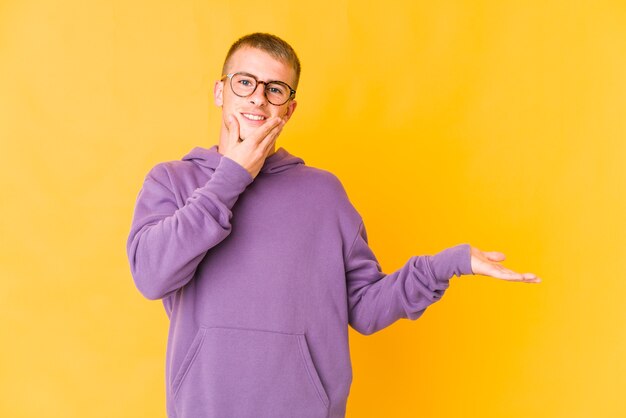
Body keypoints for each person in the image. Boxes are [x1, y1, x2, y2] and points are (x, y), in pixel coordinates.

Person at [126, 32, 540, 418]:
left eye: (274, 89)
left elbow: (365, 307)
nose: (258, 99)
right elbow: (151, 276)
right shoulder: (173, 180)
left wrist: (450, 263)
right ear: (220, 90)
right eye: (244, 82)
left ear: (289, 108)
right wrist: (231, 175)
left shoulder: (323, 194)